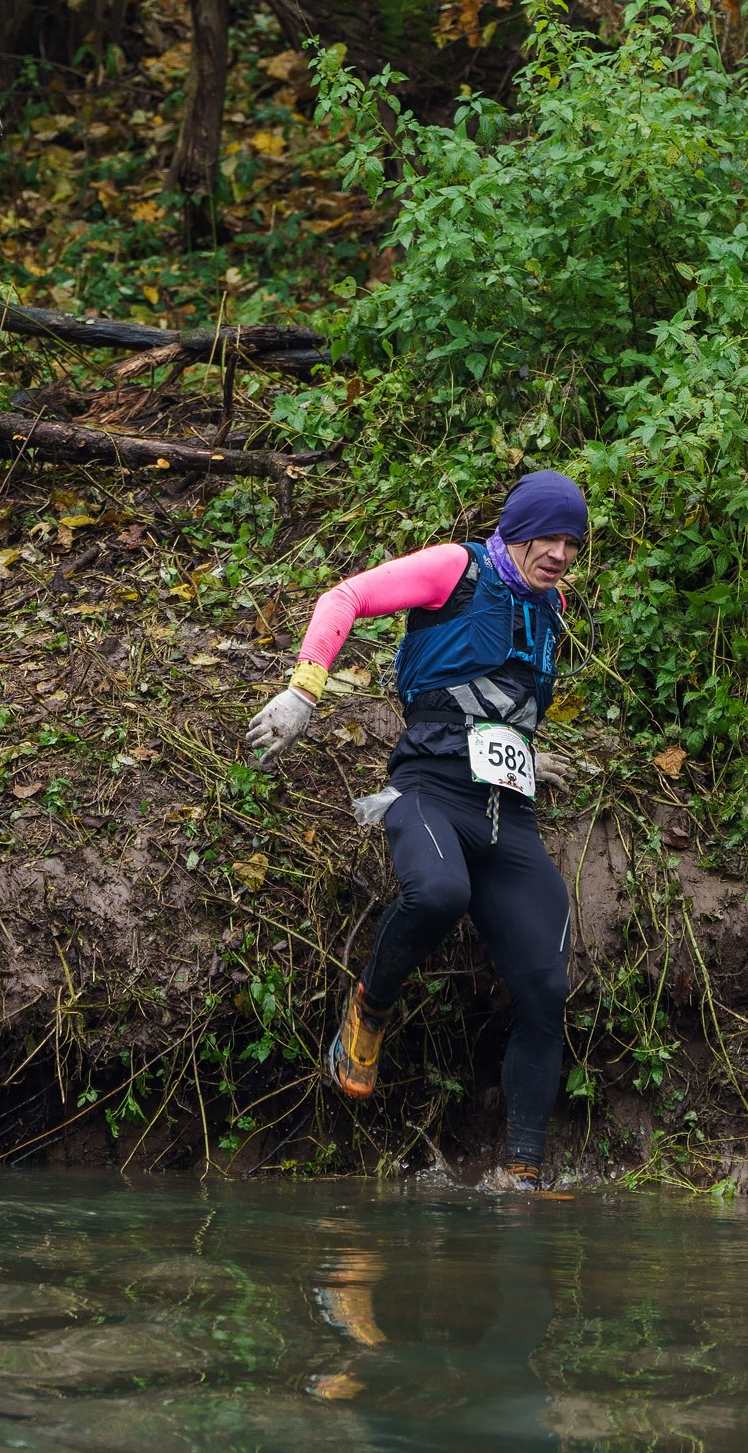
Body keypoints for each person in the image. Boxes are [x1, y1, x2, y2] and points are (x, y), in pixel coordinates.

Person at [244, 471, 587, 1192]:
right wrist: (304, 690)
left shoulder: (552, 606)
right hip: (428, 792)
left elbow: (503, 695)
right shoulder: (455, 568)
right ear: (517, 530)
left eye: (572, 543)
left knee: (548, 986)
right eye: (548, 536)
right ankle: (367, 1013)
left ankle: (523, 1173)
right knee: (437, 893)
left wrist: (528, 747)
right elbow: (347, 595)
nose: (559, 553)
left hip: (508, 813)